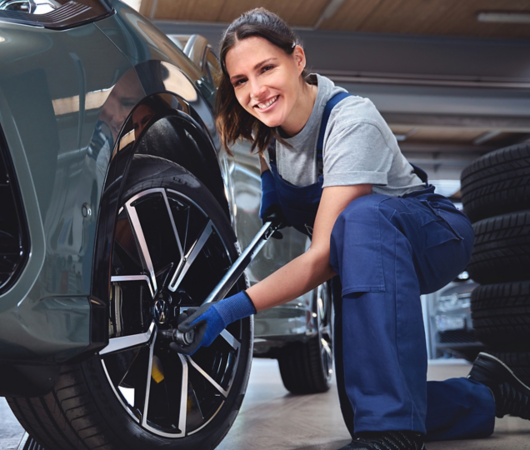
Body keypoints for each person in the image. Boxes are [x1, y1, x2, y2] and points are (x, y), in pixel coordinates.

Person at [170, 8, 530, 450]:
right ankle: (487, 393)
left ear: (297, 59)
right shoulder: (267, 131)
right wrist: (273, 195)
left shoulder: (351, 120)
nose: (256, 90)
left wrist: (227, 310)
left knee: (361, 218)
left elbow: (322, 256)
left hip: (433, 234)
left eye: (266, 68)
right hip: (364, 259)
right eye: (241, 80)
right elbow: (287, 187)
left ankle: (394, 435)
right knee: (364, 404)